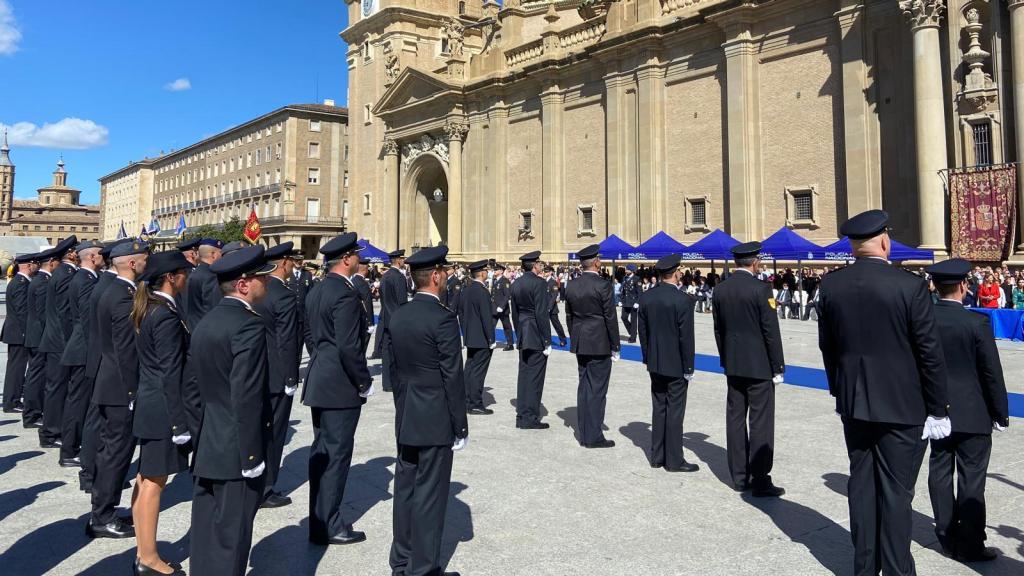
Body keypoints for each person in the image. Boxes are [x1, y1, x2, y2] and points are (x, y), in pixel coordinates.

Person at [818, 209, 950, 576]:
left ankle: (865, 566)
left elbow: (827, 346)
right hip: (902, 405)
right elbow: (929, 352)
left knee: (861, 485)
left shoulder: (832, 284)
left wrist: (839, 390)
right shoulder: (908, 285)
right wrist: (938, 408)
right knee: (895, 492)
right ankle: (896, 570)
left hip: (854, 401)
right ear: (884, 241)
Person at [189, 245, 275, 576]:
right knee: (232, 539)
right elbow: (247, 395)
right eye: (260, 279)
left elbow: (193, 390)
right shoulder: (248, 326)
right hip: (237, 447)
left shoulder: (207, 322)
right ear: (243, 284)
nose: (265, 285)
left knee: (207, 535)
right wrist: (252, 456)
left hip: (210, 441)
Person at [388, 245, 469, 576]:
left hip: (407, 412)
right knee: (430, 494)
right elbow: (452, 376)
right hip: (434, 416)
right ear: (435, 276)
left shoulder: (399, 315)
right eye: (445, 273)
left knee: (406, 487)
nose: (447, 278)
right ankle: (422, 568)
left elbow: (394, 372)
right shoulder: (444, 318)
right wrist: (459, 426)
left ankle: (402, 560)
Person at [924, 259, 1009, 563]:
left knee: (940, 472)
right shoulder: (976, 323)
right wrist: (1001, 412)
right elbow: (991, 373)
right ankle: (971, 542)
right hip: (973, 412)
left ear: (935, 286)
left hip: (936, 411)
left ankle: (946, 536)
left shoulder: (924, 319)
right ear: (963, 286)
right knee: (972, 479)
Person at [302, 233, 374, 546]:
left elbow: (309, 332)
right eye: (356, 255)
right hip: (340, 385)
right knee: (335, 456)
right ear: (346, 259)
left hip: (321, 378)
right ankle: (329, 525)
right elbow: (349, 346)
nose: (359, 259)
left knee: (322, 453)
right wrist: (363, 381)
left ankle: (319, 520)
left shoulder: (318, 289)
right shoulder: (345, 293)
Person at [130, 251, 194, 576]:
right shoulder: (165, 315)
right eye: (184, 272)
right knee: (154, 482)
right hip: (162, 408)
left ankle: (143, 551)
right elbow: (171, 372)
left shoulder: (151, 307)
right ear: (171, 276)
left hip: (149, 403)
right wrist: (179, 422)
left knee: (144, 479)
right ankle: (149, 558)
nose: (187, 277)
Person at [711, 241, 786, 497]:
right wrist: (778, 366)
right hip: (760, 366)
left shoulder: (720, 290)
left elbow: (718, 330)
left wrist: (726, 359)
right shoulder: (761, 289)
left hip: (734, 364)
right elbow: (770, 332)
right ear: (755, 262)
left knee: (735, 418)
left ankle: (739, 476)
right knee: (760, 422)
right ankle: (761, 477)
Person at [88, 240, 150, 540]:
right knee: (116, 453)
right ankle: (103, 515)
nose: (146, 265)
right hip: (119, 387)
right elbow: (126, 350)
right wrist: (131, 391)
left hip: (107, 380)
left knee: (109, 450)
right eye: (144, 260)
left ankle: (103, 510)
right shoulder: (123, 296)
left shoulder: (109, 288)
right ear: (132, 264)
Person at [638, 254, 699, 472]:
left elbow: (642, 333)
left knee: (659, 407)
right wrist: (689, 366)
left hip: (655, 361)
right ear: (675, 273)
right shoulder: (683, 300)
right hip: (675, 364)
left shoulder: (647, 298)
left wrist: (647, 357)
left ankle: (657, 456)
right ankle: (674, 460)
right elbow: (686, 338)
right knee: (675, 411)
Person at [253, 242, 302, 510]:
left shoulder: (257, 290)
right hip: (276, 374)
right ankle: (267, 486)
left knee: (257, 429)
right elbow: (287, 340)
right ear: (283, 264)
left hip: (255, 369)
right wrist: (291, 377)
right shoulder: (282, 294)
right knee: (274, 431)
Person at [563, 244, 619, 448]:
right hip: (599, 341)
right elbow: (610, 318)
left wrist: (574, 336)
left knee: (584, 385)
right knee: (597, 389)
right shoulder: (603, 285)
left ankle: (584, 430)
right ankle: (593, 435)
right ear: (596, 262)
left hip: (580, 340)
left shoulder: (572, 285)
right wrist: (615, 345)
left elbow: (569, 316)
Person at [58, 240, 103, 468]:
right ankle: (70, 450)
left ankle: (71, 447)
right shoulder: (85, 280)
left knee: (78, 400)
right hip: (84, 349)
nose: (104, 257)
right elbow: (87, 319)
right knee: (79, 402)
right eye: (100, 253)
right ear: (92, 258)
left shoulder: (85, 278)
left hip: (80, 347)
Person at [37, 236, 79, 449]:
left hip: (56, 340)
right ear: (70, 253)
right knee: (57, 388)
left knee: (56, 387)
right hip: (59, 341)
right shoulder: (65, 274)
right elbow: (65, 313)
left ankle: (52, 429)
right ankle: (51, 432)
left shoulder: (63, 272)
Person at [510, 251, 552, 429]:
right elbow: (541, 313)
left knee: (524, 375)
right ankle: (530, 417)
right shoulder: (540, 283)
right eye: (539, 263)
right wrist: (547, 340)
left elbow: (514, 312)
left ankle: (522, 413)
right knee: (535, 377)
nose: (541, 266)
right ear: (535, 265)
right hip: (535, 333)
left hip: (523, 332)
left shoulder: (516, 283)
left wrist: (519, 332)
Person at [22, 245, 58, 429]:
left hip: (35, 334)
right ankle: (32, 414)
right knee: (36, 376)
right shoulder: (43, 282)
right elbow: (43, 313)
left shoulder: (39, 279)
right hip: (39, 336)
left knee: (34, 375)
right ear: (51, 262)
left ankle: (32, 413)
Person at [458, 259, 496, 415]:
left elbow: (460, 313)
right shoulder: (482, 291)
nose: (487, 273)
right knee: (478, 373)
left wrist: (465, 332)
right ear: (481, 273)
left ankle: (466, 400)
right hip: (481, 338)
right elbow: (487, 317)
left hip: (471, 336)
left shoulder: (466, 289)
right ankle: (475, 403)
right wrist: (491, 339)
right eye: (486, 271)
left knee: (470, 370)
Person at [2, 252, 38, 413]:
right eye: (35, 264)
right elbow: (22, 311)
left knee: (15, 367)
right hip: (19, 332)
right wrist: (29, 332)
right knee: (16, 368)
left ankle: (12, 399)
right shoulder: (21, 283)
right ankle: (12, 401)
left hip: (16, 331)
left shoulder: (20, 281)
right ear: (29, 265)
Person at [378, 249, 409, 391]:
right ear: (398, 260)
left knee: (386, 353)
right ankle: (394, 381)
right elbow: (402, 301)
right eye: (403, 259)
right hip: (397, 319)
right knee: (396, 354)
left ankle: (387, 382)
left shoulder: (385, 276)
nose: (404, 261)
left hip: (386, 318)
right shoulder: (399, 277)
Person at [185, 238, 224, 329]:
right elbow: (212, 307)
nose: (223, 256)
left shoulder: (195, 273)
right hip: (207, 328)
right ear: (213, 255)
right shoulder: (211, 276)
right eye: (221, 253)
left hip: (193, 326)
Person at [351, 255, 376, 355]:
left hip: (355, 318)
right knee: (362, 349)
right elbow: (367, 303)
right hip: (364, 321)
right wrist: (370, 323)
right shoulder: (362, 283)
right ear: (365, 269)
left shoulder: (353, 281)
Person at [491, 262, 515, 350]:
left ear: (501, 271)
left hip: (502, 309)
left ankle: (510, 344)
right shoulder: (495, 280)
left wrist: (501, 306)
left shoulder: (505, 281)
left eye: (496, 269)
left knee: (507, 326)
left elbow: (507, 295)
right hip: (494, 308)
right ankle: (491, 341)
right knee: (491, 325)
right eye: (494, 269)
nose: (494, 271)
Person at [544, 265, 568, 347]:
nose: (545, 272)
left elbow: (554, 296)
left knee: (556, 325)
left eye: (547, 271)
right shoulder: (544, 282)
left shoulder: (553, 282)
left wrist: (549, 307)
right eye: (544, 271)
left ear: (551, 272)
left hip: (552, 308)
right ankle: (547, 340)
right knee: (545, 325)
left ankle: (563, 339)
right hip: (544, 308)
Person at [620, 264, 640, 343]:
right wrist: (621, 300)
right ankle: (632, 331)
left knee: (633, 320)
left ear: (631, 270)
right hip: (625, 302)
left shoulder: (637, 279)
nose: (625, 270)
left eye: (627, 269)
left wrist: (637, 302)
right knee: (623, 317)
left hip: (633, 303)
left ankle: (633, 338)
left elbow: (639, 292)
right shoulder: (624, 278)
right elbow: (623, 290)